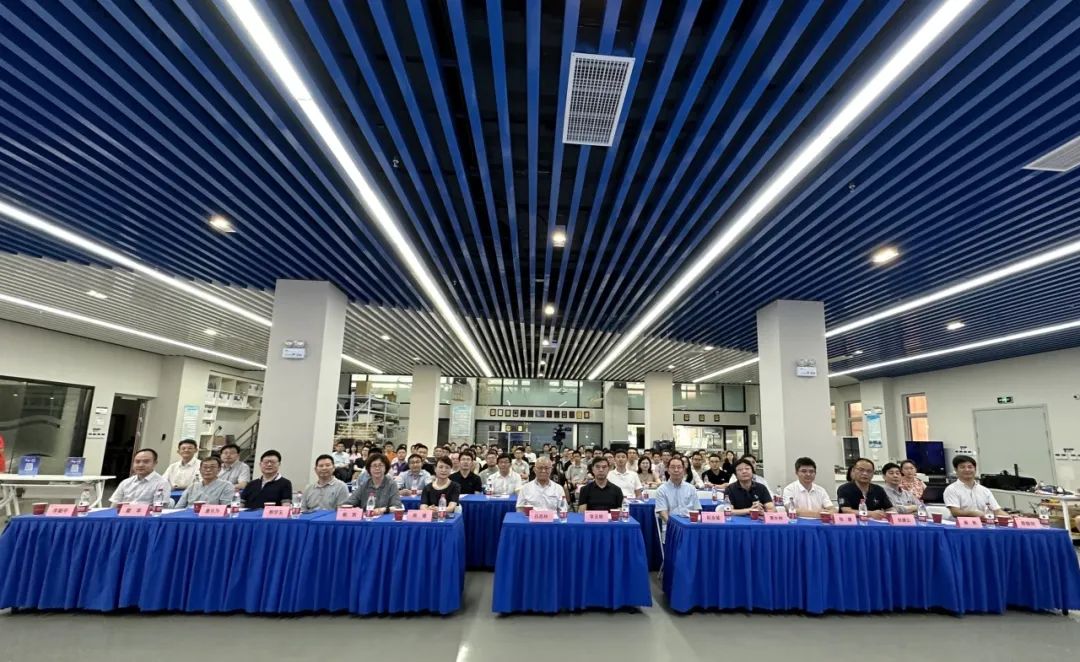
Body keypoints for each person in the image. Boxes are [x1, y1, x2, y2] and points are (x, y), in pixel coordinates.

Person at [943, 455, 1008, 519]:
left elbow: (997, 511)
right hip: (960, 524)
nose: (967, 470)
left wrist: (1010, 518)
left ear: (975, 469)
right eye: (962, 467)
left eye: (970, 467)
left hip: (985, 524)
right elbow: (955, 512)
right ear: (956, 470)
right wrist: (974, 514)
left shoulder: (985, 490)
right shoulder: (951, 489)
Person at [654, 457, 700, 524]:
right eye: (673, 467)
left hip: (689, 524)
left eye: (679, 467)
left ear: (684, 470)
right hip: (670, 526)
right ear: (668, 470)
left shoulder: (691, 488)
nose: (676, 470)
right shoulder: (661, 490)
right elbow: (663, 514)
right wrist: (675, 526)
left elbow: (696, 509)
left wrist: (691, 525)